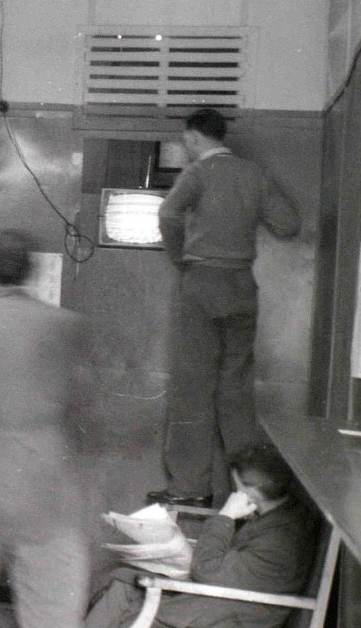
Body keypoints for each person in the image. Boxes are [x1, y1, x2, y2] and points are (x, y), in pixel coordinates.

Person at [149, 108, 301, 507]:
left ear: (196, 138)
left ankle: (189, 488)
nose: (186, 147)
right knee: (236, 391)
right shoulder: (255, 173)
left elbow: (166, 213)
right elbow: (288, 225)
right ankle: (249, 492)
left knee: (192, 389)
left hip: (200, 286)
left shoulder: (197, 174)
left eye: (186, 141)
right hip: (241, 288)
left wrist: (182, 258)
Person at [0, 229, 93, 628]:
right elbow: (85, 410)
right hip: (46, 477)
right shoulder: (66, 326)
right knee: (52, 608)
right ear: (33, 272)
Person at [88, 444, 319, 628]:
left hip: (226, 612)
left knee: (125, 604)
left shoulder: (278, 543)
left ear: (251, 493)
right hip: (225, 596)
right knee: (121, 584)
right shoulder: (283, 514)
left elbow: (207, 570)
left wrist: (227, 515)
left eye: (237, 488)